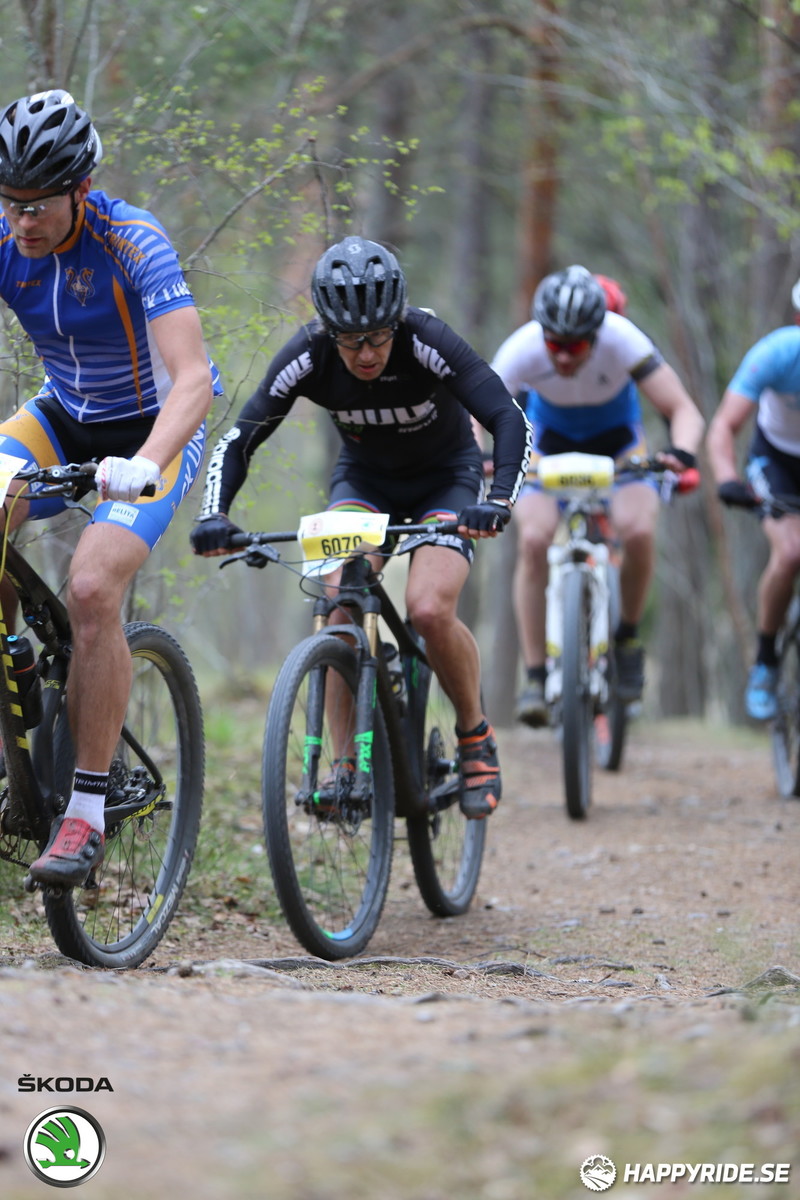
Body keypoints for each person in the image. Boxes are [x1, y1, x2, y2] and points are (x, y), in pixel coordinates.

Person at [191, 234, 531, 819]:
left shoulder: (426, 338)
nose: (366, 353)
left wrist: (497, 501)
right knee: (338, 599)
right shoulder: (310, 352)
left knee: (427, 607)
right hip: (365, 486)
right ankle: (349, 765)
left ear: (396, 322)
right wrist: (213, 514)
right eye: (350, 341)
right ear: (328, 331)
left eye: (376, 337)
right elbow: (240, 437)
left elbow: (506, 416)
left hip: (445, 481)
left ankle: (475, 734)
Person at [0, 89, 219, 886]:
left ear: (80, 191)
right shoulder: (3, 237)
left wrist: (150, 463)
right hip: (64, 414)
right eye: (11, 203)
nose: (24, 222)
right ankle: (18, 677)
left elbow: (194, 380)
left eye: (40, 206)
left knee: (92, 585)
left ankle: (85, 814)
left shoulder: (134, 240)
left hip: (154, 430)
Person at [490, 264, 704, 727]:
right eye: (555, 346)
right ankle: (534, 674)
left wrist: (681, 454)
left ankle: (625, 641)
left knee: (639, 530)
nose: (564, 358)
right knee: (533, 540)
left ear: (597, 331)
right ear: (541, 334)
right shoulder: (522, 347)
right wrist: (481, 457)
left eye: (576, 346)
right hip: (546, 446)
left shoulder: (623, 338)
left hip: (619, 448)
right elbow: (475, 413)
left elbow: (681, 407)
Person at [707, 279, 800, 720]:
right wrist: (727, 478)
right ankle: (765, 661)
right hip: (777, 461)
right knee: (790, 554)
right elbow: (725, 425)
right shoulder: (776, 353)